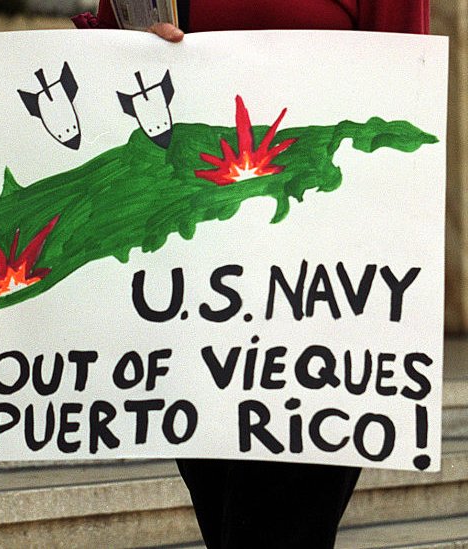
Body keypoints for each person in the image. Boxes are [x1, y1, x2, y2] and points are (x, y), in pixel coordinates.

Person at [73, 2, 429, 548]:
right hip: (200, 312)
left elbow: (406, 82)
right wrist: (133, 51)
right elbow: (116, 63)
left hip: (325, 313)